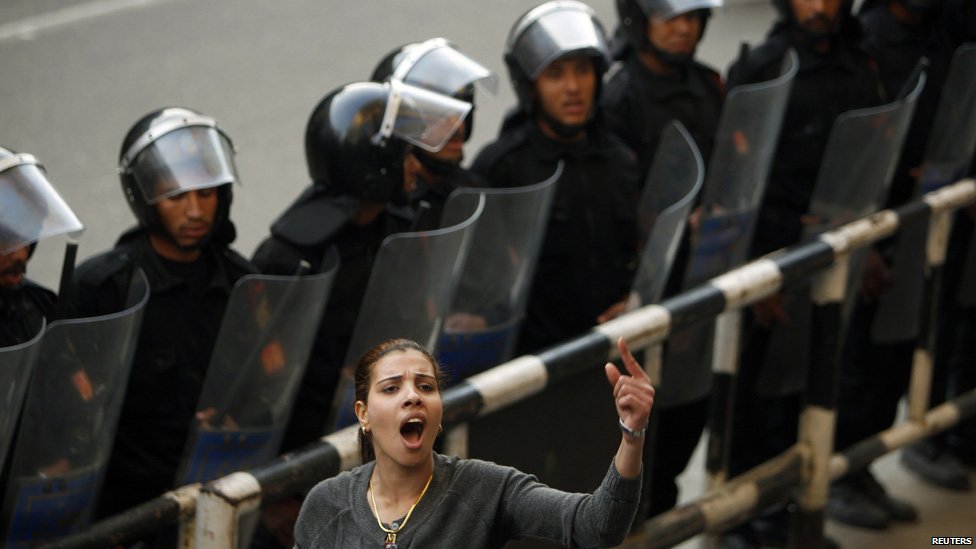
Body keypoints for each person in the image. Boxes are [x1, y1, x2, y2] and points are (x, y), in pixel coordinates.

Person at [723, 0, 884, 545]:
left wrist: (869, 246)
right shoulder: (763, 68)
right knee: (757, 403)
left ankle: (792, 508)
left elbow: (869, 162)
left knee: (811, 392)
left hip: (837, 260)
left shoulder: (860, 63)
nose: (819, 6)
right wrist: (754, 274)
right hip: (773, 267)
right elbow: (739, 185)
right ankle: (748, 520)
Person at [70, 107, 256, 521]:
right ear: (147, 198)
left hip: (227, 488)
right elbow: (72, 417)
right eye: (176, 196)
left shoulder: (243, 282)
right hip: (132, 507)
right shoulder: (103, 289)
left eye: (206, 193)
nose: (195, 211)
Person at [294, 336, 654, 548]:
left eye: (425, 386)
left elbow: (597, 526)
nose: (412, 397)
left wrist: (632, 434)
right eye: (391, 388)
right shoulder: (326, 505)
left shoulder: (486, 488)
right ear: (363, 414)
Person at [829, 0, 958, 530]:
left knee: (893, 359)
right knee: (861, 362)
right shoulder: (872, 40)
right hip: (877, 226)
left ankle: (861, 470)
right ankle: (840, 476)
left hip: (920, 217)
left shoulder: (938, 30)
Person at [471, 0, 641, 355]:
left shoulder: (619, 160)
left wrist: (634, 300)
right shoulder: (502, 169)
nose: (573, 87)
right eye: (556, 74)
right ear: (531, 85)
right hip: (531, 363)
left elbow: (637, 249)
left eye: (582, 70)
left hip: (614, 352)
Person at [370, 38, 495, 232]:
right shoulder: (383, 210)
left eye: (461, 111)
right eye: (437, 114)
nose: (457, 126)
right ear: (398, 122)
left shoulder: (474, 188)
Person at [603, 0, 725, 184]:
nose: (683, 28)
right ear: (640, 20)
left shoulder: (709, 83)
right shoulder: (619, 101)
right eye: (669, 17)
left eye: (691, 17)